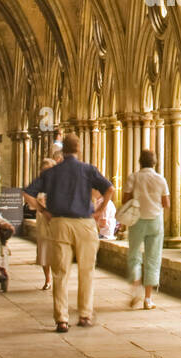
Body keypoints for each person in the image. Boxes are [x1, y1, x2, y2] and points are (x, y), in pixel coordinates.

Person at [22, 134, 113, 332]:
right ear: (78, 149)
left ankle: (62, 319)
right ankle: (84, 315)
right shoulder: (88, 170)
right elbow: (109, 189)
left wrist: (43, 210)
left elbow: (27, 193)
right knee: (86, 271)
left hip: (60, 222)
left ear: (63, 150)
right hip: (85, 224)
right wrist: (99, 211)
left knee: (60, 272)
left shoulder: (53, 172)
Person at [122, 149, 170, 310]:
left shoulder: (133, 177)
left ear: (140, 161)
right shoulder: (160, 179)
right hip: (155, 221)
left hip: (137, 220)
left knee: (134, 255)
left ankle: (136, 287)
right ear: (154, 162)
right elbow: (166, 203)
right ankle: (148, 299)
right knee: (153, 259)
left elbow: (125, 200)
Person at [22, 158, 58, 289]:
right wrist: (41, 206)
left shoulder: (58, 183)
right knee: (44, 250)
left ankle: (56, 278)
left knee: (56, 250)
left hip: (56, 220)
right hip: (43, 219)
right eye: (44, 170)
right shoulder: (40, 184)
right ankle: (47, 279)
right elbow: (29, 201)